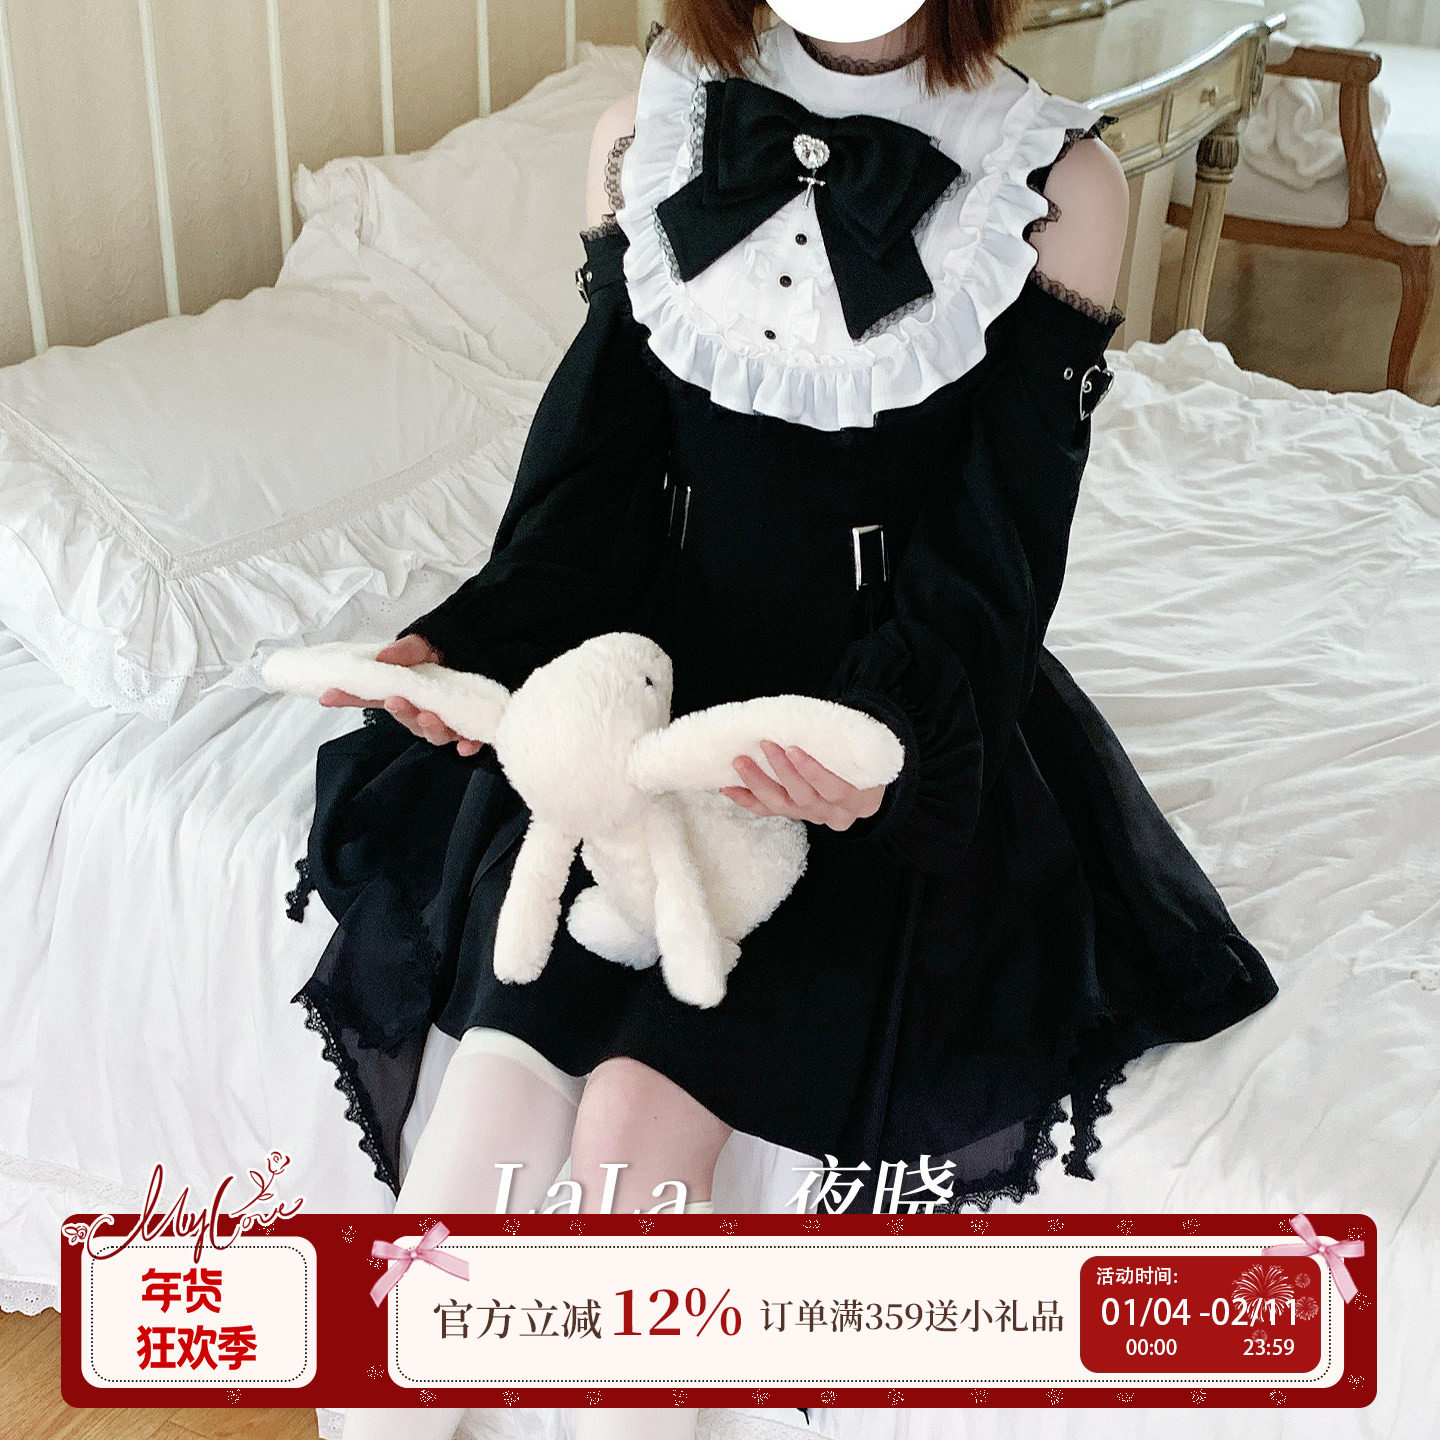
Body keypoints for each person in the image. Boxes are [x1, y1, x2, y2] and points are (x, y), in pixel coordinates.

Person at [284, 4, 1280, 1437]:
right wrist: (464, 644)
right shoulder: (648, 125)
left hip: (869, 732)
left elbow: (999, 552)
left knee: (636, 1124)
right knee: (490, 1091)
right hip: (649, 703)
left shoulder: (1059, 181)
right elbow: (593, 480)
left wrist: (882, 749)